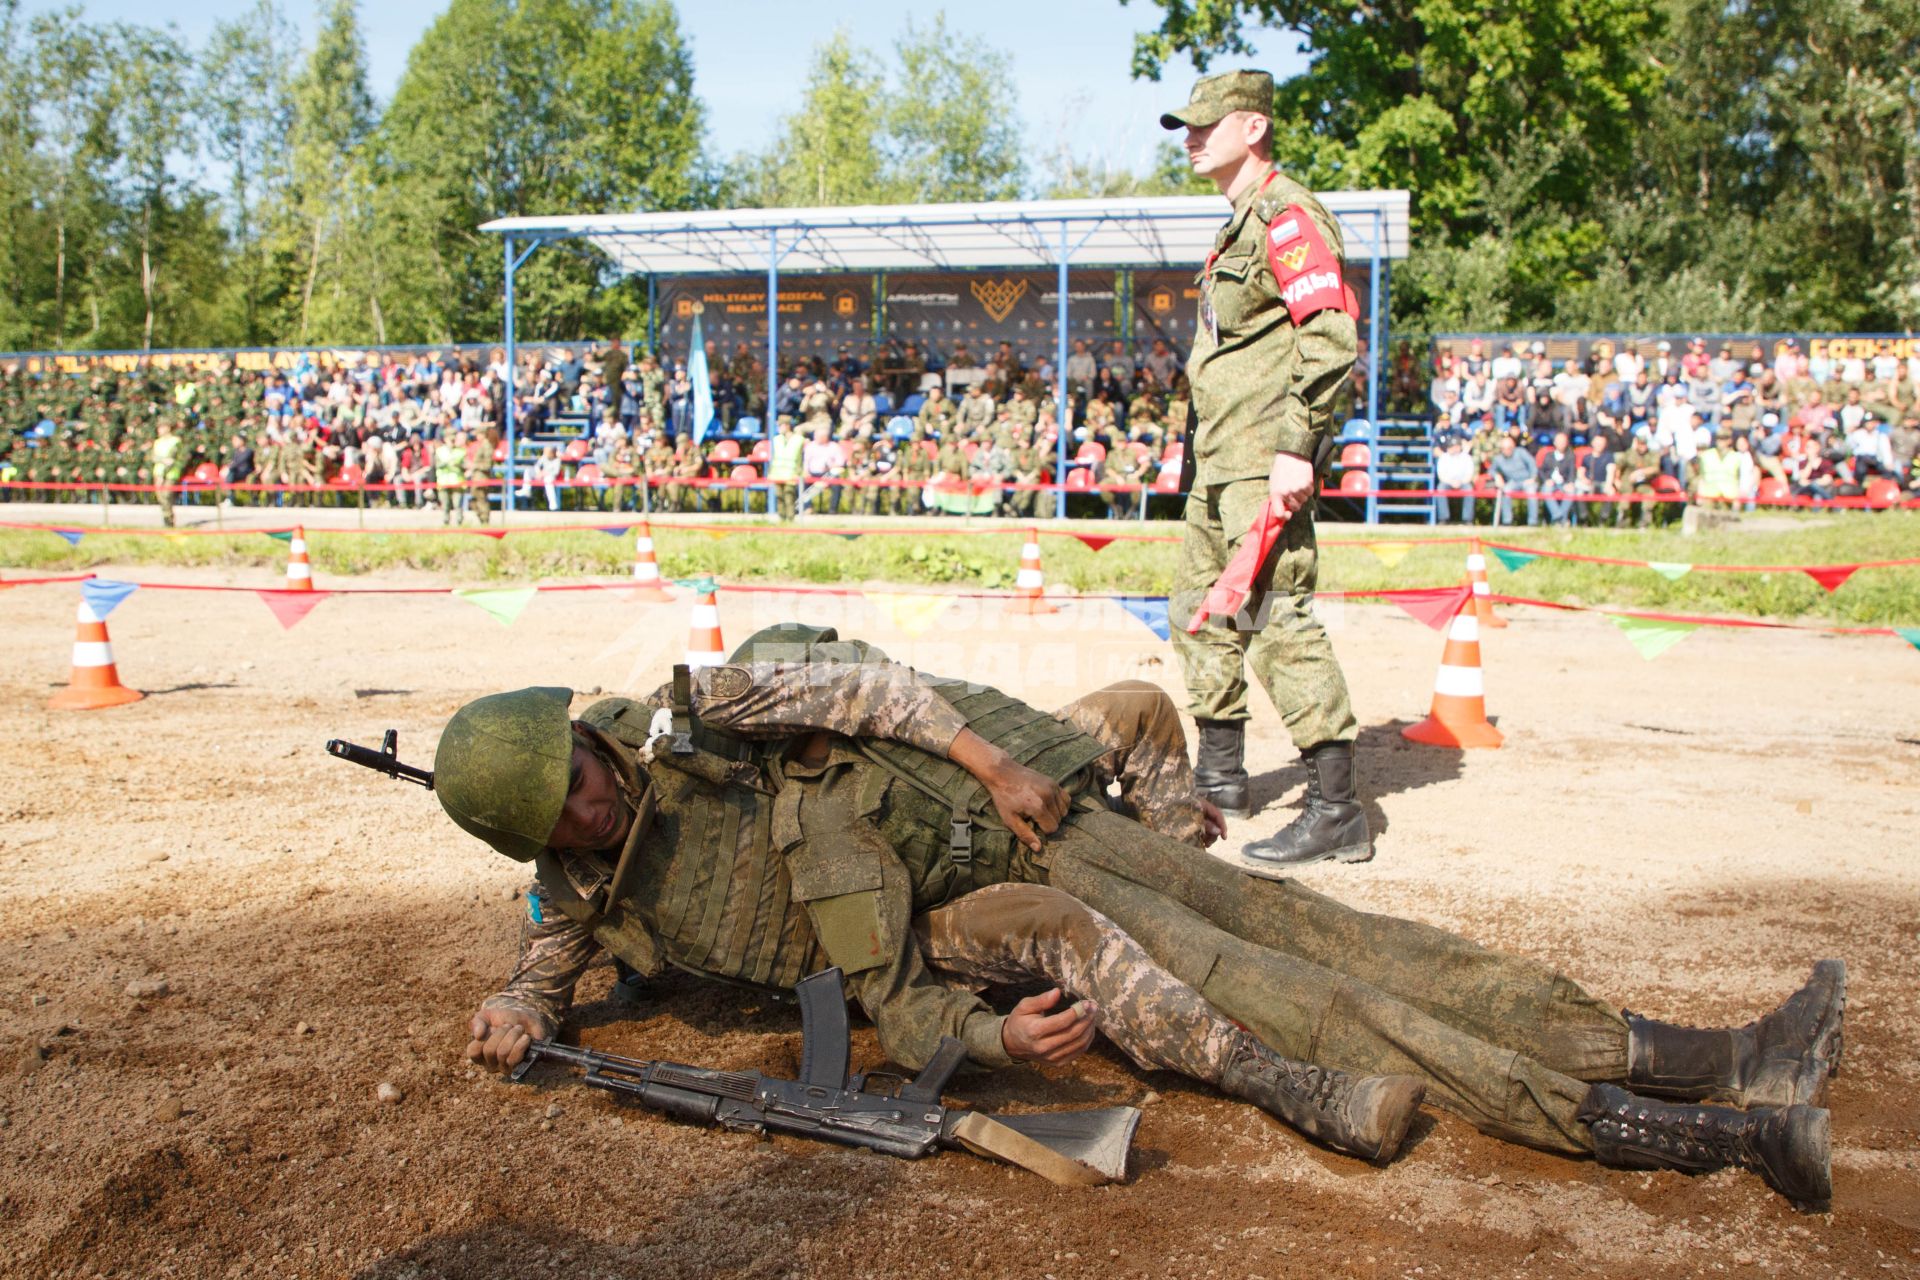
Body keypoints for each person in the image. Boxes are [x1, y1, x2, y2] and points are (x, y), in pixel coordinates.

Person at [433, 628, 1841, 1207]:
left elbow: (871, 694)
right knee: (1283, 973)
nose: (588, 813)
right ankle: (1691, 1116)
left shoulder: (704, 713)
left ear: (593, 743)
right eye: (555, 820)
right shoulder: (572, 893)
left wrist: (996, 770)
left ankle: (1690, 1055)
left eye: (584, 785)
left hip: (1021, 820)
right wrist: (513, 1010)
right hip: (970, 912)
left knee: (1311, 944)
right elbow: (539, 976)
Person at [1157, 70, 1368, 869]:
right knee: (1199, 613)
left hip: (1261, 458)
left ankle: (1338, 808)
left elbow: (1329, 336)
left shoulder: (1288, 216)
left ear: (1253, 128)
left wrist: (1294, 446)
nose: (1192, 137)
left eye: (1207, 125)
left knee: (1277, 619)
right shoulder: (1235, 227)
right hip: (1218, 461)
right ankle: (1222, 778)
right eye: (1187, 126)